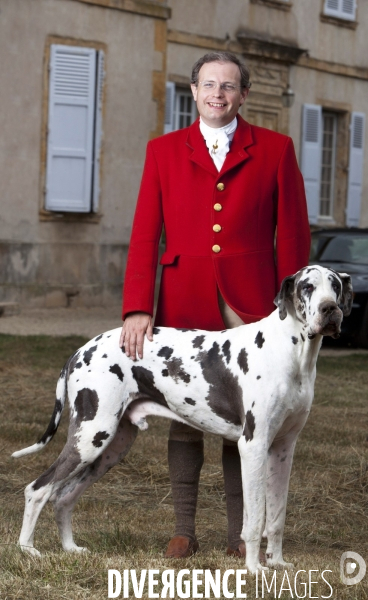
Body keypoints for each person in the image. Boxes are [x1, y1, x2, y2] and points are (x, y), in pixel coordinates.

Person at [120, 51, 310, 559]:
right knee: (183, 415)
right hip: (182, 298)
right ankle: (184, 526)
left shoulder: (275, 149)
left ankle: (239, 534)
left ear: (243, 94)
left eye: (228, 86)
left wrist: (295, 311)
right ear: (193, 90)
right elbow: (145, 234)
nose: (217, 95)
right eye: (209, 85)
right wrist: (138, 305)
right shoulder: (162, 150)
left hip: (251, 303)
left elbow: (292, 236)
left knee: (245, 421)